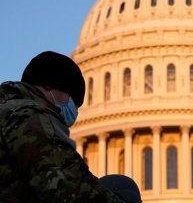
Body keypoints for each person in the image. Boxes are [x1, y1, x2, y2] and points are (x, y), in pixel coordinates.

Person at [0, 51, 126, 202]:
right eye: (73, 100)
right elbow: (67, 185)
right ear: (49, 85)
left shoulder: (8, 108)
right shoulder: (29, 116)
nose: (75, 111)